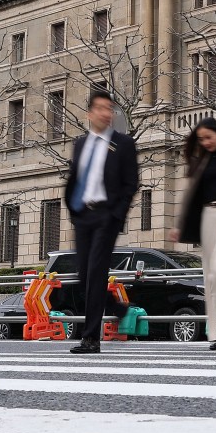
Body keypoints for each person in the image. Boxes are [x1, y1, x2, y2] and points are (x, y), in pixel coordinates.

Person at [64, 91, 138, 354]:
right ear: (90, 113)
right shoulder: (80, 144)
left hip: (106, 215)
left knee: (96, 274)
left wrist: (117, 214)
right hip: (83, 215)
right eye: (101, 108)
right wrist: (73, 210)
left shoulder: (123, 143)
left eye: (110, 109)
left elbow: (131, 183)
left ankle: (90, 338)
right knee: (84, 275)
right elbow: (74, 178)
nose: (106, 113)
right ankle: (116, 307)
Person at [171, 117, 216, 351]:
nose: (206, 142)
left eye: (209, 137)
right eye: (201, 139)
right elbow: (191, 197)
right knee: (211, 277)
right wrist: (179, 225)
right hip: (208, 218)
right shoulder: (200, 160)